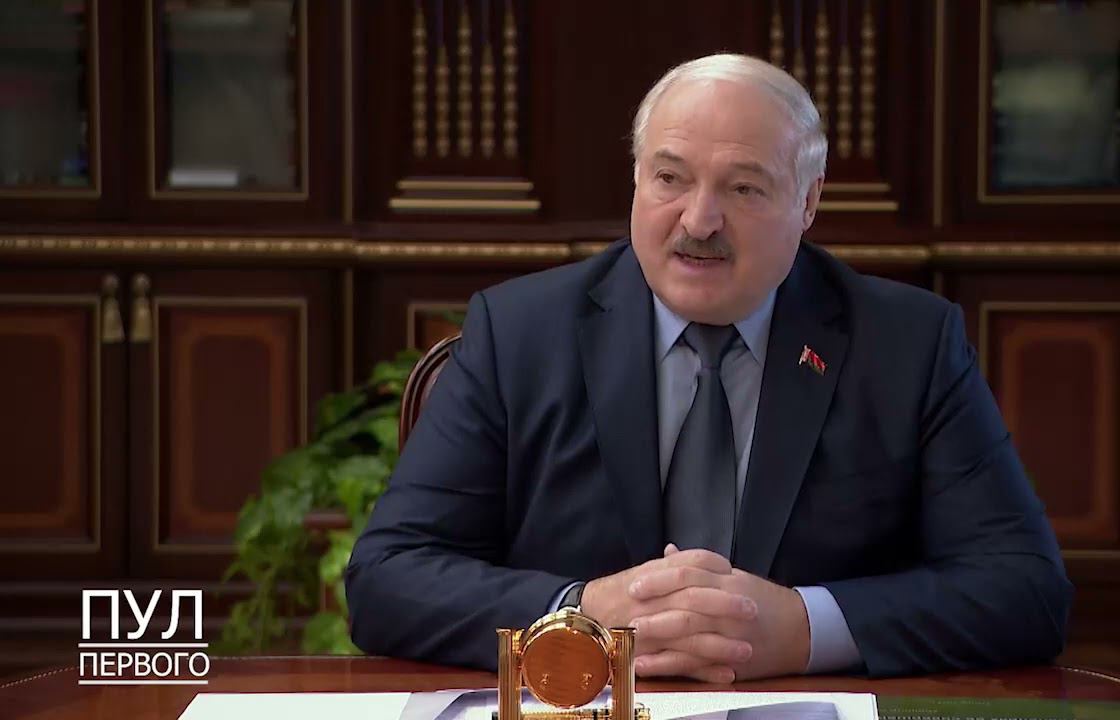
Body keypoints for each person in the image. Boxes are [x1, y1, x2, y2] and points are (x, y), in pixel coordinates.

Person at [345, 53, 1072, 682]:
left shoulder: (907, 344)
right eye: (670, 178)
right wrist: (581, 614)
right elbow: (387, 578)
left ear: (809, 201)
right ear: (636, 180)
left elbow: (1025, 589)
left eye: (744, 188)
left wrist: (805, 628)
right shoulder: (520, 333)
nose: (699, 221)